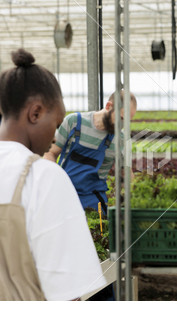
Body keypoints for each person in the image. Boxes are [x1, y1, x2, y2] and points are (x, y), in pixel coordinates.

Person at [0, 48, 106, 300]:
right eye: (57, 124)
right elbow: (67, 295)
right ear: (35, 113)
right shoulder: (41, 178)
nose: (56, 135)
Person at [44, 90, 137, 214]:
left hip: (94, 201)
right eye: (121, 118)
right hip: (64, 195)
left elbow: (126, 174)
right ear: (109, 106)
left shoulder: (121, 139)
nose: (122, 126)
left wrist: (138, 197)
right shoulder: (74, 122)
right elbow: (50, 153)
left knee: (97, 231)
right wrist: (55, 182)